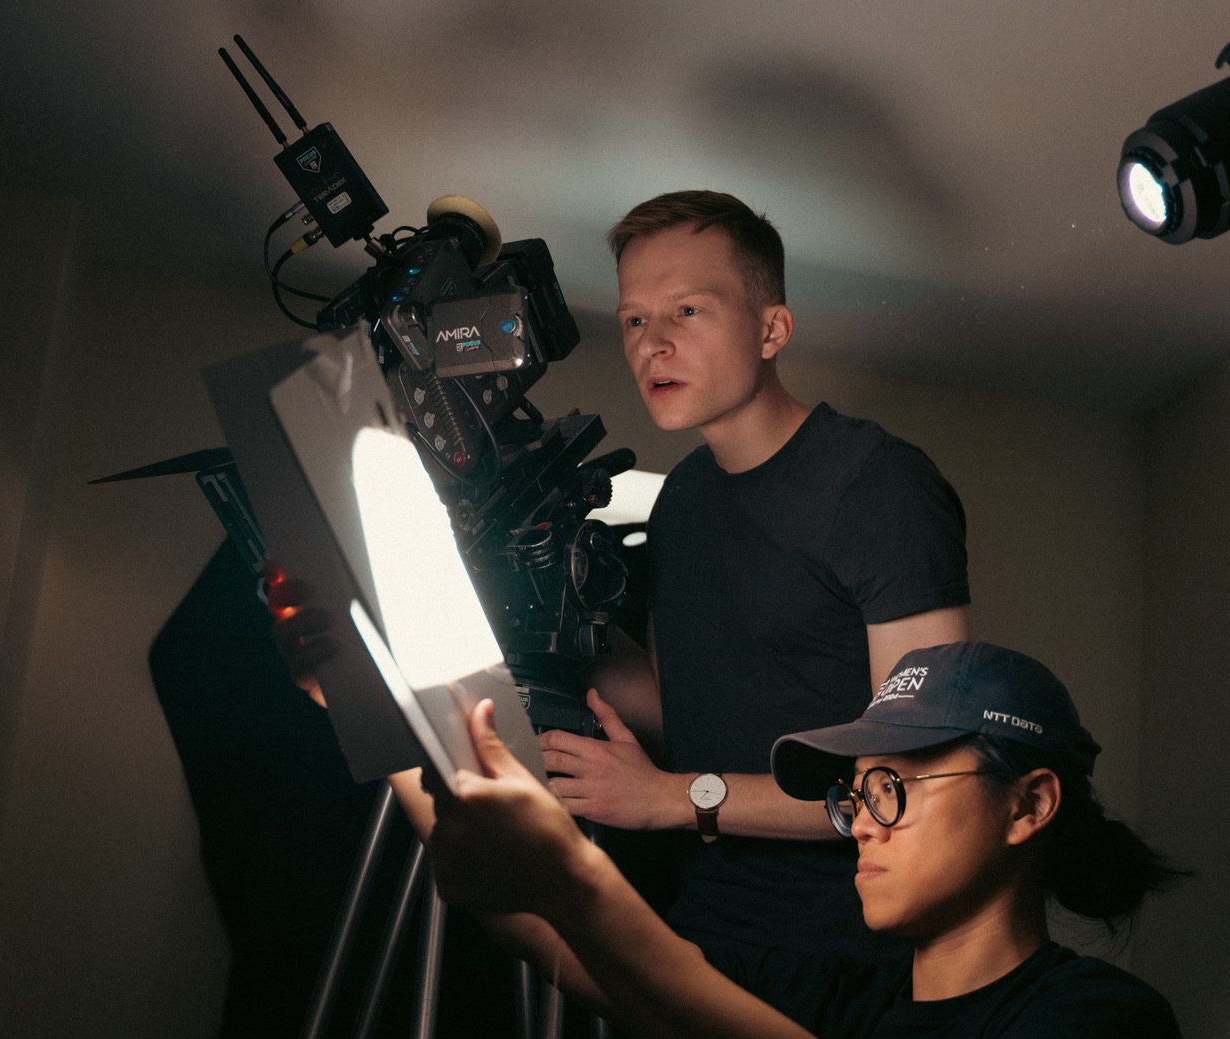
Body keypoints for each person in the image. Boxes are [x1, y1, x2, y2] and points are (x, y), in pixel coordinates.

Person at [268, 190, 973, 1019]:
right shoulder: (683, 501)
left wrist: (675, 798)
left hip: (853, 956)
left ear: (771, 329)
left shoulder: (876, 486)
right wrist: (519, 616)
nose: (653, 344)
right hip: (702, 929)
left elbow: (921, 783)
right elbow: (689, 712)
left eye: (687, 310)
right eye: (635, 320)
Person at [424, 641, 1187, 1038]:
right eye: (854, 793)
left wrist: (579, 882)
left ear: (1027, 806)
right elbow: (528, 920)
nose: (859, 819)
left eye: (890, 789)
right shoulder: (833, 996)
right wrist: (379, 710)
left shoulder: (1101, 1019)